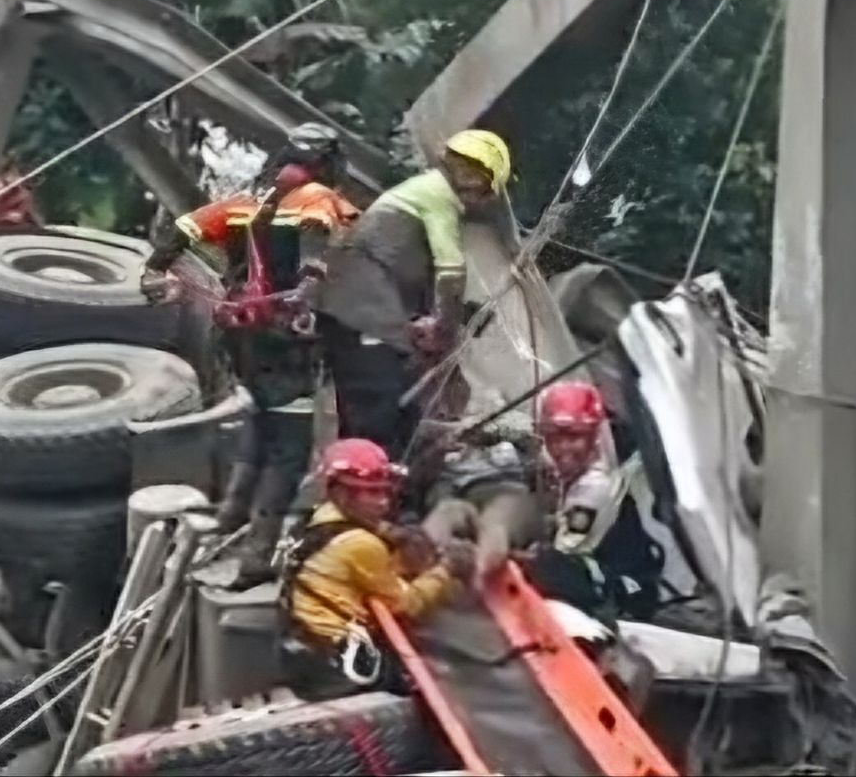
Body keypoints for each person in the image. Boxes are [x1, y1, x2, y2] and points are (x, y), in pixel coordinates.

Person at [142, 122, 360, 583]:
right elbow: (316, 243)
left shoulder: (247, 202)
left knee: (260, 423)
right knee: (290, 448)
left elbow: (185, 228)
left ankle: (232, 514)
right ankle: (257, 555)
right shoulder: (316, 199)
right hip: (286, 340)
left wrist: (154, 270)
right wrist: (307, 285)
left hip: (243, 338)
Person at [316, 129, 513, 458]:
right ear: (475, 178)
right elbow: (451, 272)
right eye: (488, 189)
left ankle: (377, 476)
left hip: (360, 308)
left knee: (397, 405)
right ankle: (367, 481)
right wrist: (445, 330)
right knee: (378, 407)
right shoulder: (438, 198)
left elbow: (410, 274)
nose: (486, 200)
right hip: (361, 311)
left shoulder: (418, 195)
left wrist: (459, 313)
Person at [423, 381, 663, 623]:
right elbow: (515, 428)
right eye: (554, 437)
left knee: (528, 544)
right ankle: (419, 562)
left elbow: (561, 554)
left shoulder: (595, 490)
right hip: (560, 547)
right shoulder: (554, 460)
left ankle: (473, 580)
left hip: (606, 581)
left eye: (574, 437)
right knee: (455, 510)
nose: (562, 447)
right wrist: (466, 431)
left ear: (593, 437)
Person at [280, 438, 473, 700]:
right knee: (440, 680)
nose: (383, 503)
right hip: (341, 669)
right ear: (340, 493)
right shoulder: (361, 544)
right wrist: (447, 569)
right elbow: (408, 604)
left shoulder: (315, 520)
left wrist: (394, 534)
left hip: (300, 653)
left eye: (384, 492)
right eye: (370, 493)